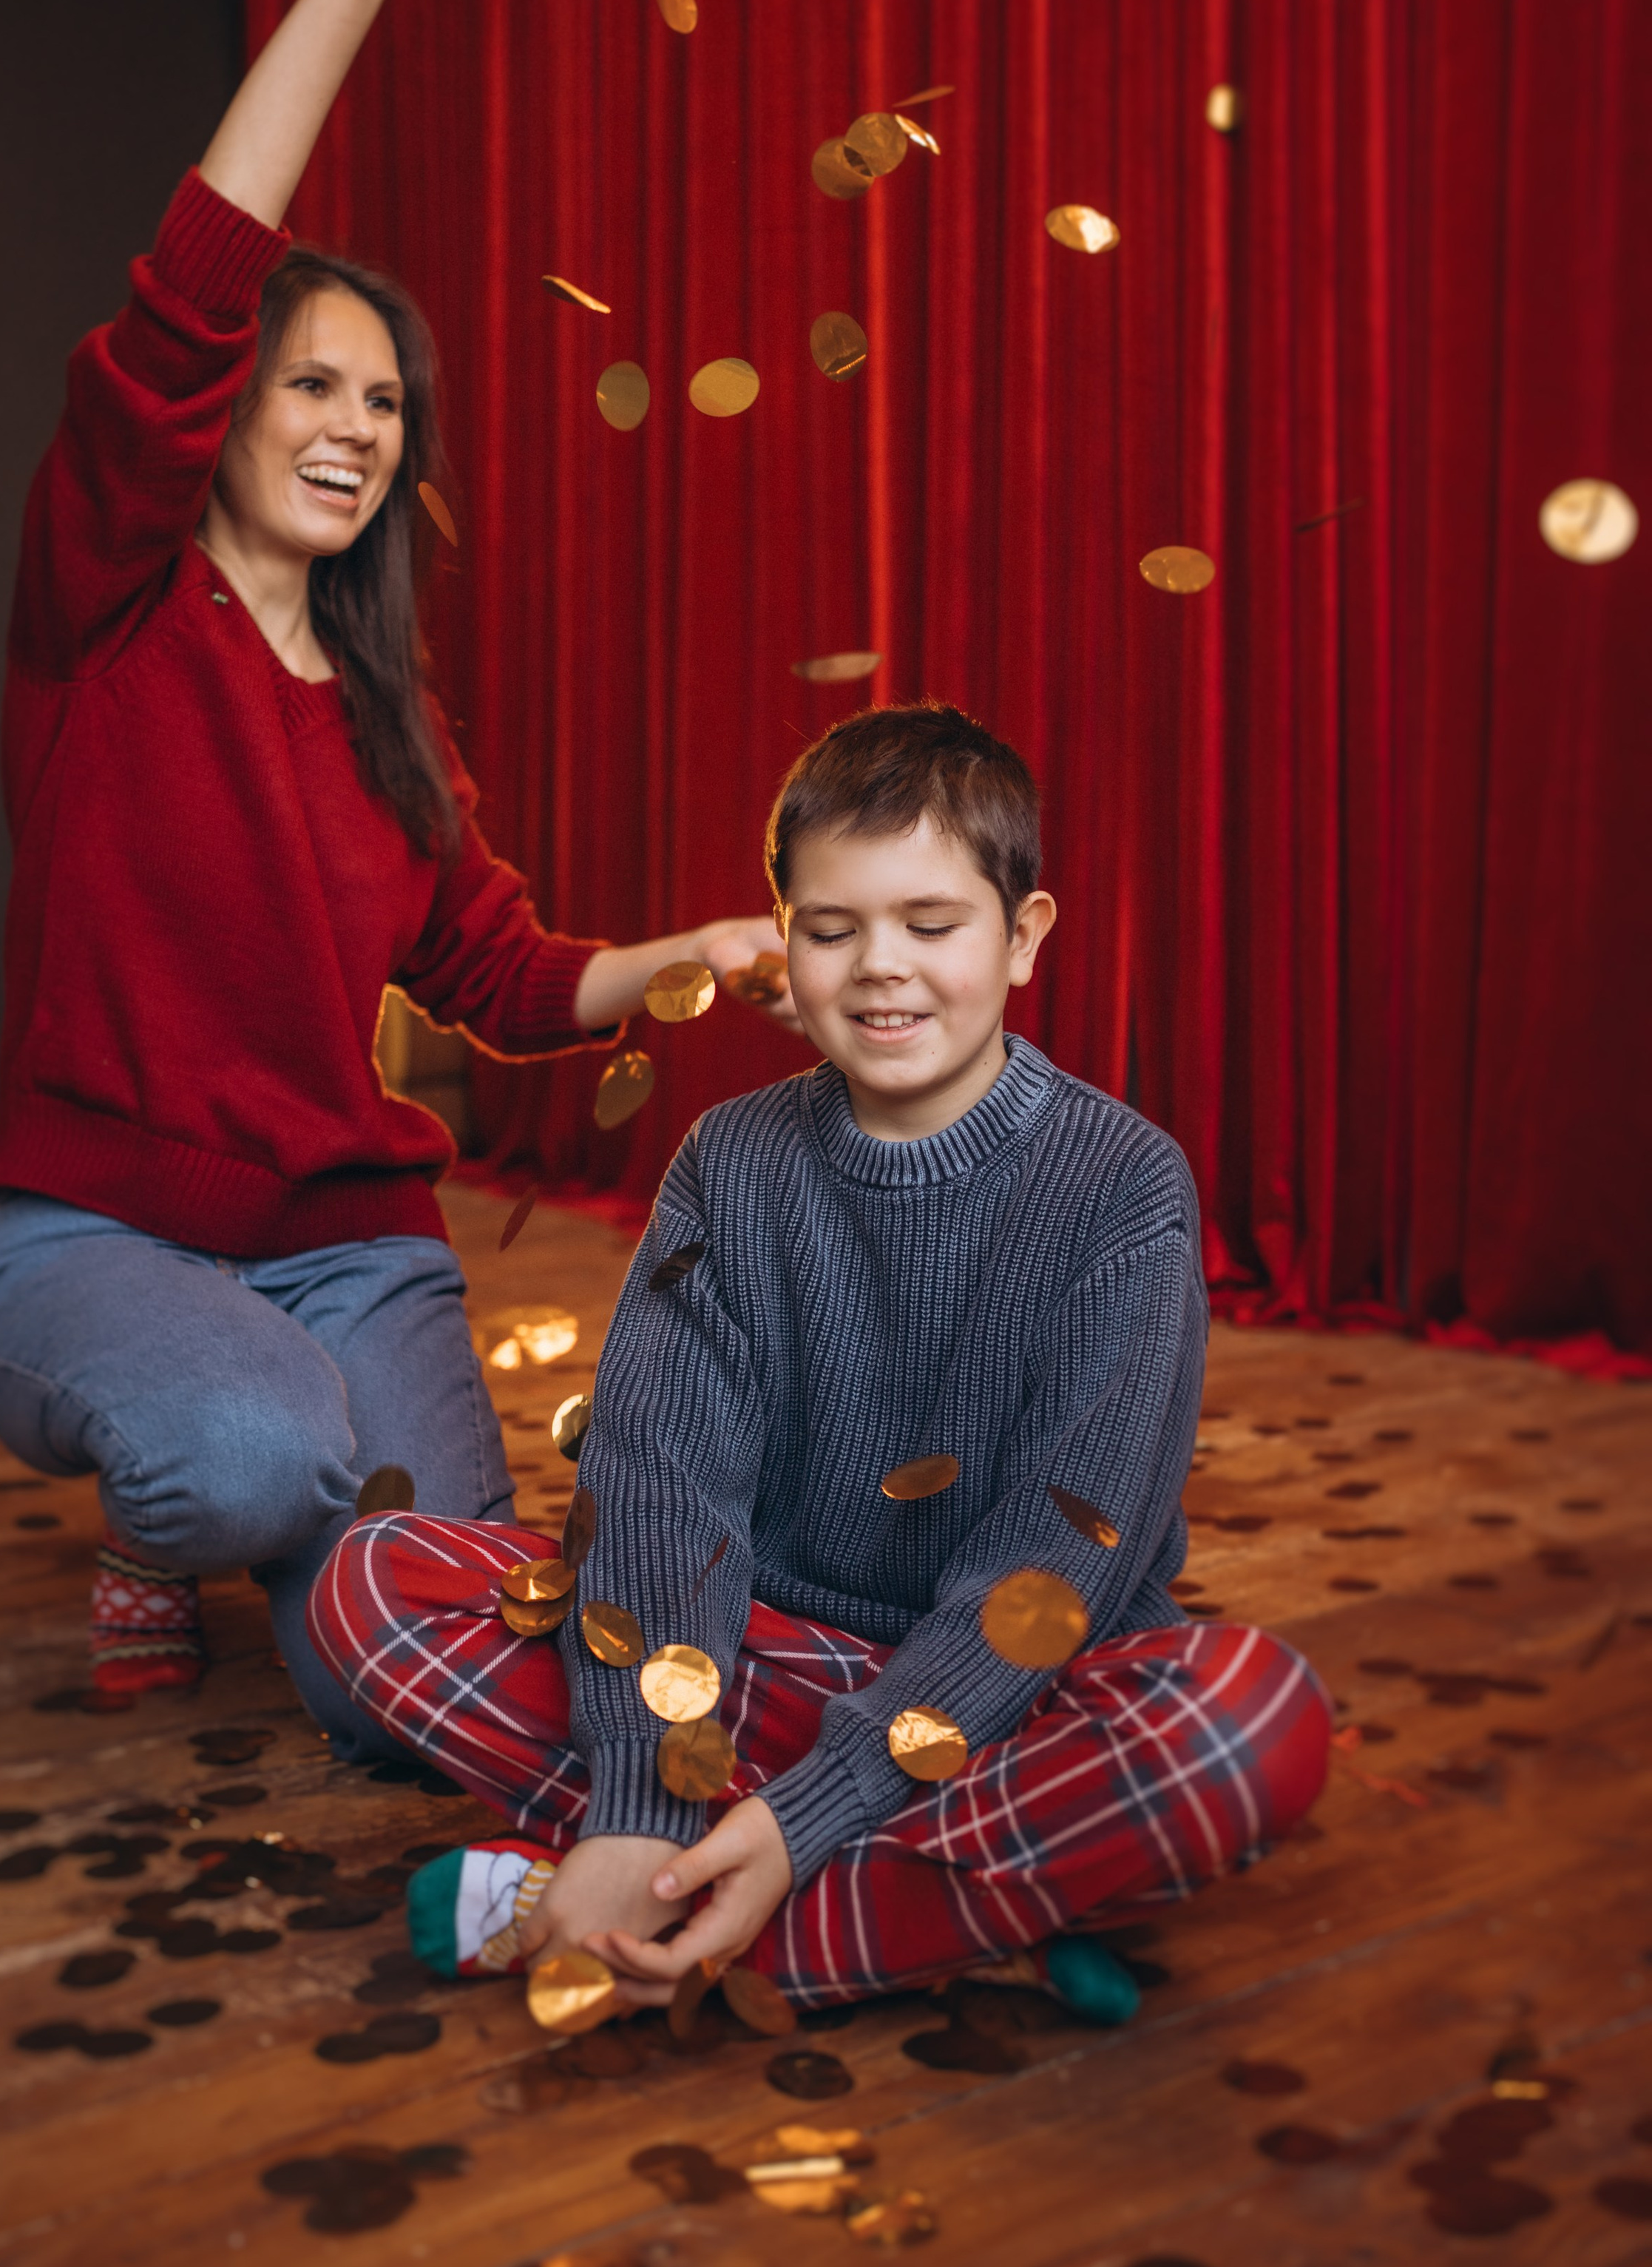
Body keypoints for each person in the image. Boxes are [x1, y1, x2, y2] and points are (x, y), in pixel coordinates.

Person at [0, 0, 792, 1753]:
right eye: (310, 385)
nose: (351, 425)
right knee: (259, 1468)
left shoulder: (390, 717)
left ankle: (281, 1448)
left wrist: (687, 958)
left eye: (387, 404)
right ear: (222, 411)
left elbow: (498, 969)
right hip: (100, 1241)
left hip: (353, 1246)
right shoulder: (109, 612)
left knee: (424, 1648)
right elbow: (197, 272)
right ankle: (174, 1516)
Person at [310, 704, 1331, 2010]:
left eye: (932, 925)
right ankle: (967, 1900)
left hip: (1022, 1692)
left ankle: (660, 1919)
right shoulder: (729, 1165)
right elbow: (662, 1484)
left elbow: (1061, 1566)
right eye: (832, 931)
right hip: (763, 1661)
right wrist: (643, 1785)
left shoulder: (1125, 1185)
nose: (880, 969)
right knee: (374, 1581)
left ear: (1022, 940)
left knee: (1252, 1715)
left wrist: (812, 1807)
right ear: (784, 946)